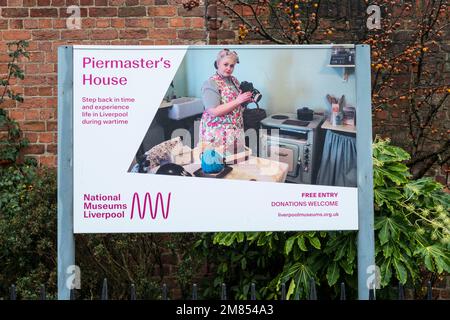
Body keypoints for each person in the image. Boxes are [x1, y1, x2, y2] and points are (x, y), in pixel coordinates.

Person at [199, 49, 253, 155]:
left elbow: (237, 106)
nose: (229, 68)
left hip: (235, 131)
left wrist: (245, 100)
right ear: (218, 63)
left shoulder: (234, 81)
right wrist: (238, 100)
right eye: (225, 64)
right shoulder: (210, 83)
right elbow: (213, 111)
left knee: (234, 164)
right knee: (217, 165)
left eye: (232, 66)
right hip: (217, 134)